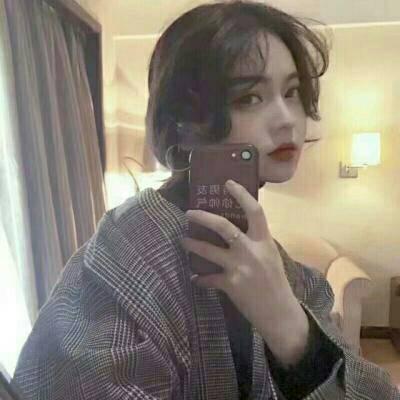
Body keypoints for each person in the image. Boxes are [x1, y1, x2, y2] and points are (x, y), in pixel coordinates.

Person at [13, 1, 400, 399]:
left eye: (292, 92)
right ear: (184, 121)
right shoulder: (119, 263)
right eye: (249, 97)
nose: (287, 118)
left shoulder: (288, 273)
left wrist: (287, 323)